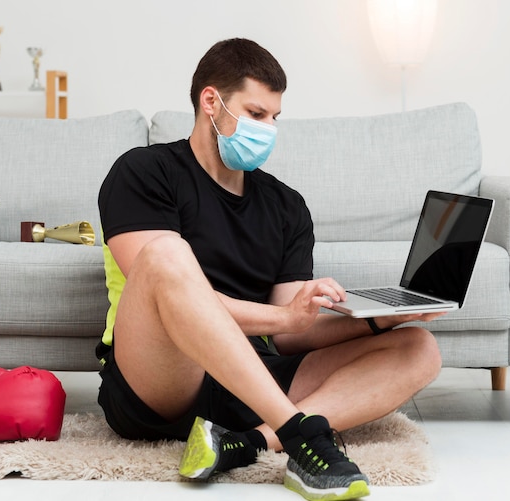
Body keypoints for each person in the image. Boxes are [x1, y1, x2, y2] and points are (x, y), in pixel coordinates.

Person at [96, 38, 442, 501]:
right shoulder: (144, 171)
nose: (268, 128)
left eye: (275, 117)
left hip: (253, 383)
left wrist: (381, 319)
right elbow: (161, 287)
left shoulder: (286, 206)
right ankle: (301, 437)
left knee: (420, 348)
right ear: (211, 101)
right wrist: (281, 319)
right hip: (160, 378)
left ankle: (252, 442)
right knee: (165, 254)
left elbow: (289, 334)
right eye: (257, 114)